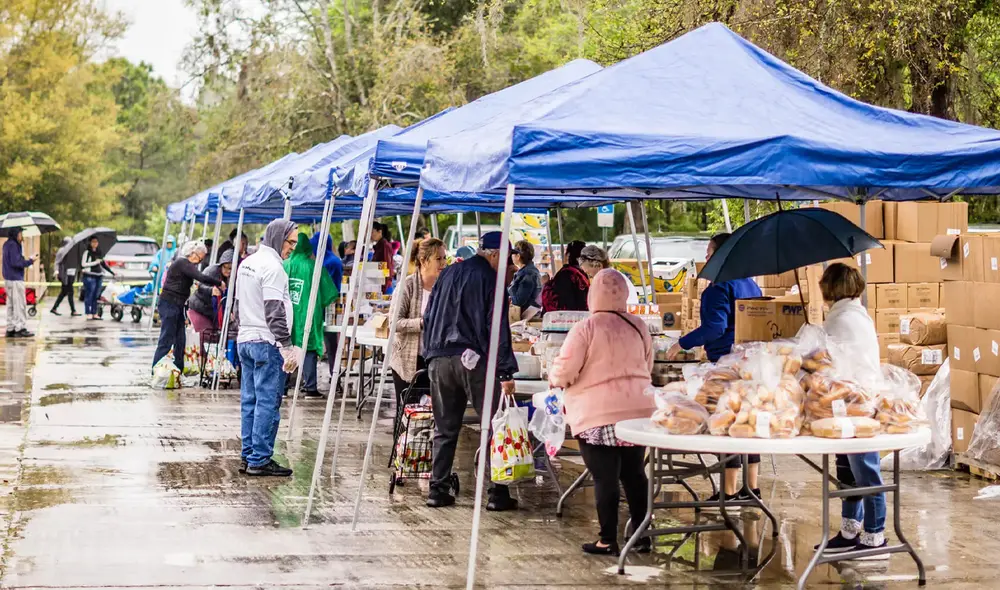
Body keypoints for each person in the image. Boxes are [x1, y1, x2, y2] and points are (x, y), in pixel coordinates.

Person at [549, 269, 656, 555]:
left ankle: (607, 539)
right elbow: (647, 364)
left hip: (597, 413)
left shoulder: (586, 328)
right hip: (638, 412)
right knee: (634, 474)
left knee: (605, 477)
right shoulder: (638, 326)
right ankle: (642, 536)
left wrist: (555, 378)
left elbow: (565, 369)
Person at [422, 231, 518, 511]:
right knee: (491, 426)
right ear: (495, 254)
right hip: (472, 360)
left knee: (444, 428)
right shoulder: (492, 280)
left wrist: (430, 355)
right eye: (508, 257)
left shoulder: (448, 274)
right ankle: (497, 493)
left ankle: (437, 489)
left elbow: (429, 317)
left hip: (439, 359)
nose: (509, 263)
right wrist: (506, 371)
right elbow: (497, 327)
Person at [667, 232, 762, 500]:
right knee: (746, 424)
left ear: (721, 255)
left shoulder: (718, 287)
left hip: (724, 366)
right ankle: (752, 488)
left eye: (708, 253)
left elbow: (715, 327)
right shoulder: (751, 285)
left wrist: (682, 343)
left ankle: (729, 491)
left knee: (725, 424)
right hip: (750, 364)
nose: (705, 258)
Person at [817, 262, 888, 557]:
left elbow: (823, 357)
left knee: (865, 471)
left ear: (831, 287)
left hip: (858, 404)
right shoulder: (853, 313)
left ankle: (875, 535)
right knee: (847, 469)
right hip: (849, 402)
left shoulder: (842, 320)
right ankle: (850, 529)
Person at [235, 220, 299, 477]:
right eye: (290, 242)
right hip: (267, 342)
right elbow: (274, 311)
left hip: (246, 339)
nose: (292, 248)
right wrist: (286, 346)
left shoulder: (247, 263)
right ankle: (260, 459)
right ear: (277, 237)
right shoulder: (274, 268)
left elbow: (238, 303)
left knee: (249, 400)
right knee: (267, 402)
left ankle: (249, 453)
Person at [389, 238, 446, 404]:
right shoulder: (407, 286)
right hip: (408, 360)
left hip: (437, 359)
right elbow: (394, 323)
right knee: (409, 411)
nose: (443, 263)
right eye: (438, 259)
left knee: (433, 411)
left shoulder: (445, 286)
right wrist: (422, 323)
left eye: (444, 258)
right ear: (423, 260)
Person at [152, 241, 222, 373]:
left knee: (180, 340)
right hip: (169, 303)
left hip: (178, 305)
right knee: (167, 338)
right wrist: (219, 283)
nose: (199, 260)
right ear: (192, 252)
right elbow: (200, 277)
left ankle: (177, 370)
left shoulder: (188, 265)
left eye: (201, 258)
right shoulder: (182, 262)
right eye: (199, 256)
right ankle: (157, 370)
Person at [284, 232, 337, 398]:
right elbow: (330, 293)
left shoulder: (284, 265)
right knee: (309, 347)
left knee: (287, 346)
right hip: (309, 313)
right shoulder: (315, 267)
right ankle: (310, 387)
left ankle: (283, 387)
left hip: (287, 314)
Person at [312, 232, 344, 377]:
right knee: (330, 345)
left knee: (323, 344)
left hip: (324, 307)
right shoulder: (332, 261)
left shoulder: (327, 262)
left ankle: (331, 374)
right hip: (327, 306)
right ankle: (334, 374)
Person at [187, 249, 234, 334]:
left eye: (230, 268)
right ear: (221, 265)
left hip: (214, 310)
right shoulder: (211, 270)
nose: (227, 270)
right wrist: (211, 290)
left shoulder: (233, 277)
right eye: (225, 267)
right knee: (201, 336)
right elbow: (199, 286)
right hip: (200, 307)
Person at [2, 228, 36, 337]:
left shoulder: (7, 244)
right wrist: (30, 261)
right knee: (20, 304)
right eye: (21, 233)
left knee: (11, 305)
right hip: (16, 279)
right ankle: (20, 328)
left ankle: (10, 328)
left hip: (8, 278)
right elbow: (16, 262)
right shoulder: (14, 245)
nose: (22, 235)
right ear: (16, 234)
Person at [542, 240, 589, 312]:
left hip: (566, 318)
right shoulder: (582, 274)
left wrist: (546, 284)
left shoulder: (566, 273)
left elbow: (564, 302)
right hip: (582, 315)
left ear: (568, 255)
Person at [81, 237, 114, 320]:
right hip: (89, 275)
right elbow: (83, 264)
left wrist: (112, 272)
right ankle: (88, 312)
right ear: (90, 243)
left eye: (96, 242)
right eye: (93, 242)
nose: (95, 243)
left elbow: (103, 264)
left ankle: (94, 313)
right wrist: (95, 262)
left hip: (99, 275)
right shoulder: (87, 252)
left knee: (96, 295)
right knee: (89, 294)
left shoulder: (99, 252)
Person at [508, 240, 542, 320]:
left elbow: (518, 301)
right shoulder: (528, 272)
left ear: (518, 256)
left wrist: (510, 287)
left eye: (513, 254)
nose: (511, 256)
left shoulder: (528, 274)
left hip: (528, 318)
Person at [51, 237, 79, 317]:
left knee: (64, 292)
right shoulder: (62, 250)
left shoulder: (73, 251)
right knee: (70, 292)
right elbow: (57, 262)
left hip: (71, 274)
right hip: (64, 274)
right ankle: (73, 310)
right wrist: (56, 271)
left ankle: (54, 308)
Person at [370, 222, 395, 292]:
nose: (370, 235)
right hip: (379, 284)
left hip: (385, 286)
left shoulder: (384, 246)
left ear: (379, 232)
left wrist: (384, 287)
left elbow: (387, 266)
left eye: (372, 232)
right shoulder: (379, 246)